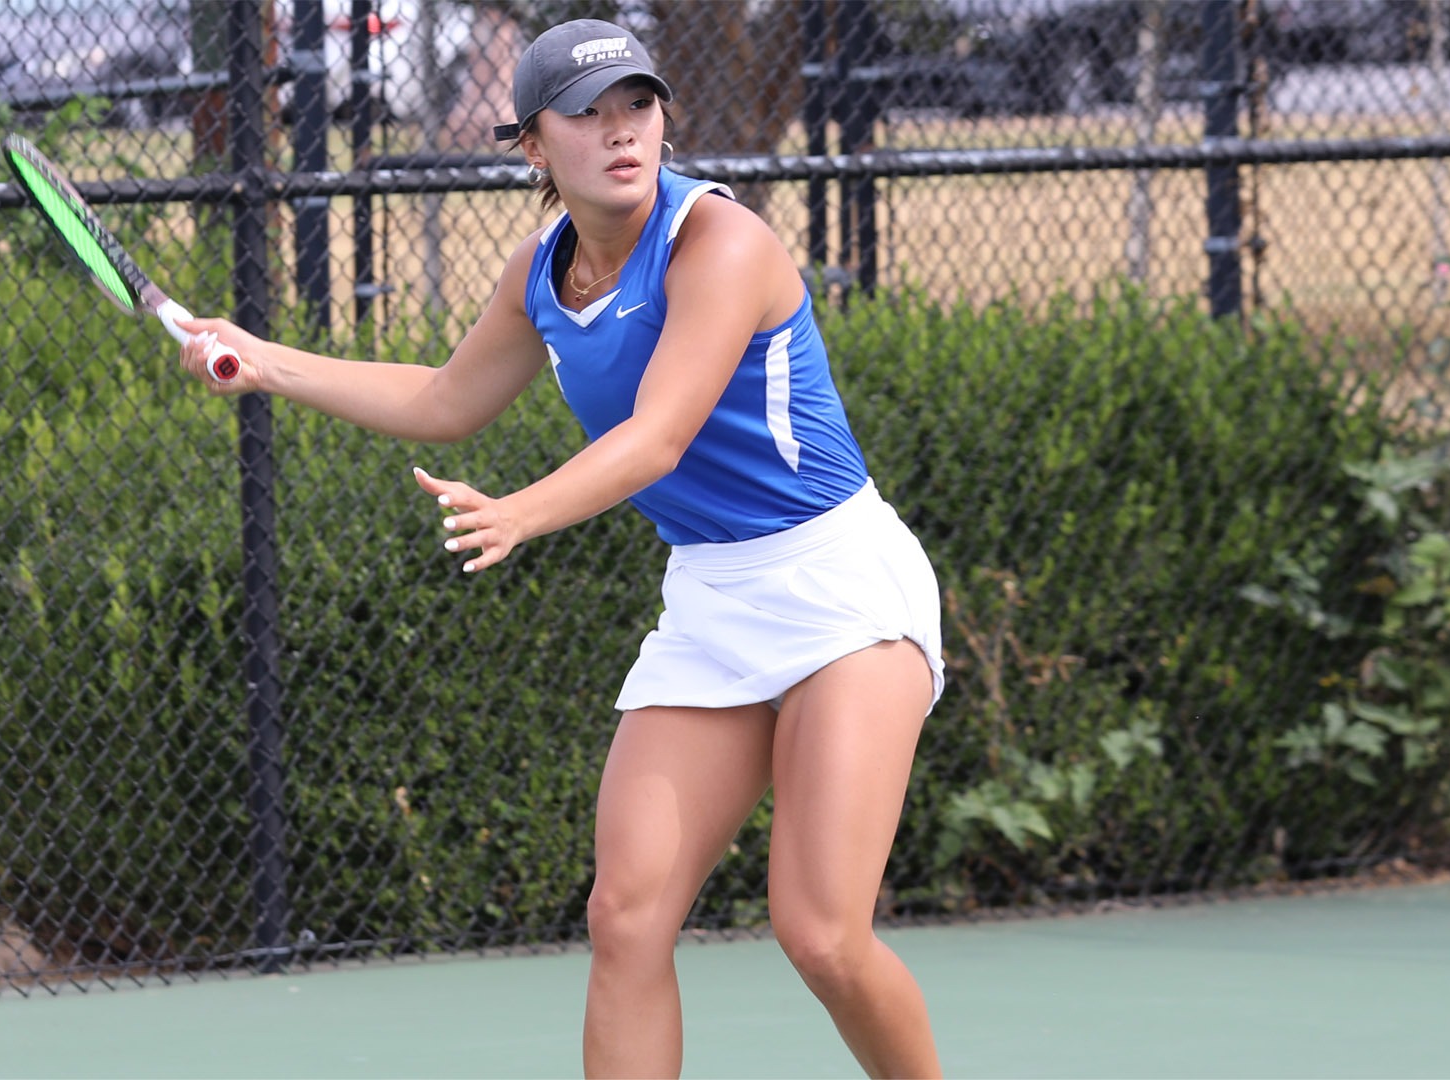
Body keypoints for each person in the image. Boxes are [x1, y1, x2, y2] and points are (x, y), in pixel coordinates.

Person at [177, 18, 945, 1080]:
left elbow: (659, 435)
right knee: (626, 916)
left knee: (821, 935)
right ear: (535, 147)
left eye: (638, 106)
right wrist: (265, 361)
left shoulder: (722, 243)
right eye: (588, 114)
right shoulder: (545, 271)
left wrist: (521, 512)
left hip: (841, 587)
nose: (622, 131)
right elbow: (448, 400)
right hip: (716, 595)